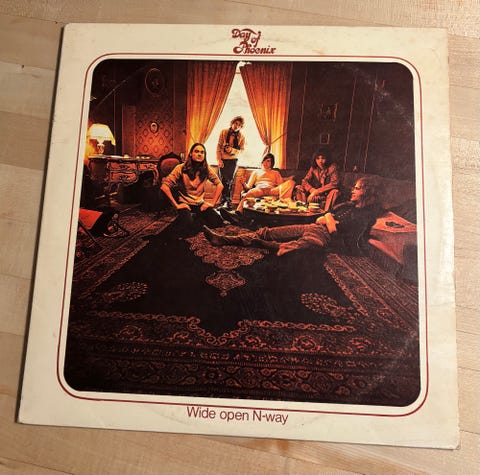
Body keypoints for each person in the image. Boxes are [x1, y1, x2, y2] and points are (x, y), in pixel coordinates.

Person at [204, 176, 382, 257]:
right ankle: (224, 239)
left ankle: (273, 246)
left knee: (306, 245)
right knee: (268, 232)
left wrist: (328, 219)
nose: (352, 190)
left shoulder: (364, 215)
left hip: (324, 237)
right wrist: (328, 219)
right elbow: (324, 218)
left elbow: (336, 233)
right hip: (314, 227)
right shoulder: (348, 205)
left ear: (366, 192)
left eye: (357, 188)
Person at [160, 142, 225, 231]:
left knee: (217, 221)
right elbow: (164, 187)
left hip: (200, 204)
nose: (199, 154)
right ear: (190, 154)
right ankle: (191, 220)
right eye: (196, 151)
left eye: (202, 152)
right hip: (185, 204)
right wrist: (176, 205)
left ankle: (195, 218)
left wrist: (212, 203)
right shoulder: (180, 168)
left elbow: (220, 185)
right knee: (188, 226)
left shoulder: (207, 169)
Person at [221, 153, 295, 224]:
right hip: (260, 190)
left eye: (268, 161)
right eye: (264, 160)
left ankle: (286, 211)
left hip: (271, 190)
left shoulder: (275, 173)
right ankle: (237, 214)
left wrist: (288, 180)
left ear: (272, 163)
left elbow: (281, 186)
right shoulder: (256, 172)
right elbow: (248, 187)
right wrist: (243, 183)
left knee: (291, 182)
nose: (265, 163)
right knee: (249, 194)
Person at [216, 115, 246, 208]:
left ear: (241, 127)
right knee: (223, 181)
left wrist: (231, 150)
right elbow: (218, 146)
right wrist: (219, 160)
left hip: (233, 161)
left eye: (239, 125)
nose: (237, 126)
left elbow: (241, 151)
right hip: (223, 160)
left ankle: (226, 201)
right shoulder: (224, 132)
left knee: (229, 181)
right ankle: (226, 201)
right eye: (236, 123)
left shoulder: (241, 136)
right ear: (232, 123)